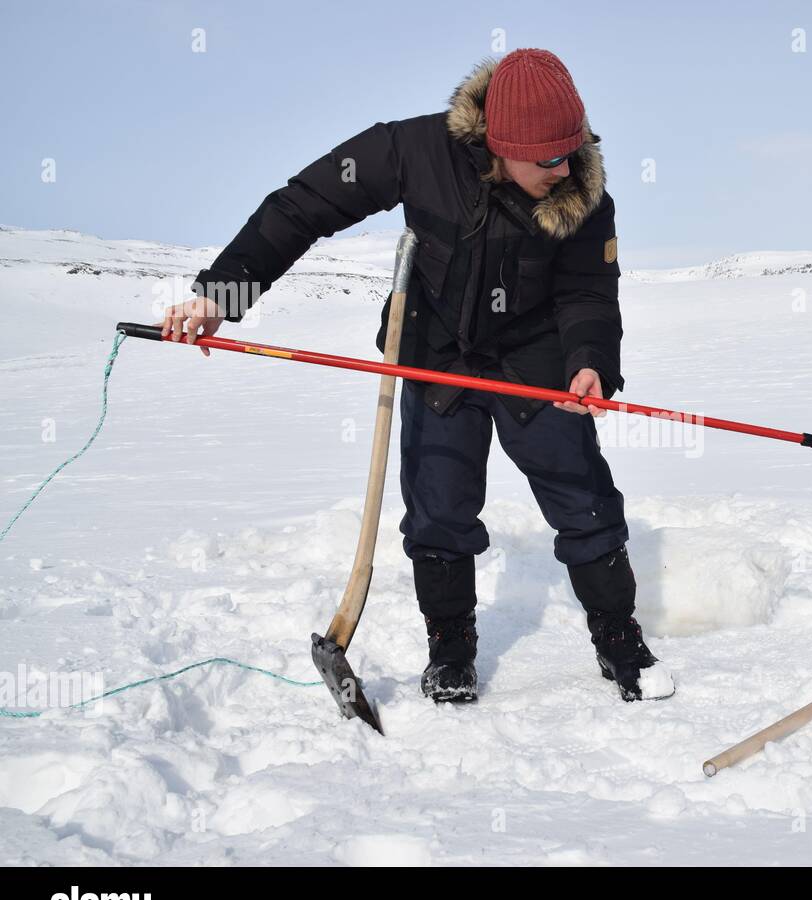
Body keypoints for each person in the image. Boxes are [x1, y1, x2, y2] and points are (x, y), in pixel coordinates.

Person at [160, 49, 673, 704]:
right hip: (437, 352)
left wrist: (590, 363)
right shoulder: (411, 149)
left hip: (535, 359)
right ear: (500, 141)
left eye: (569, 152)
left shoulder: (581, 196)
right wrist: (219, 295)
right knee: (438, 509)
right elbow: (301, 207)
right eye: (546, 157)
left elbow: (588, 295)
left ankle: (619, 641)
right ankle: (450, 650)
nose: (563, 168)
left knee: (584, 498)